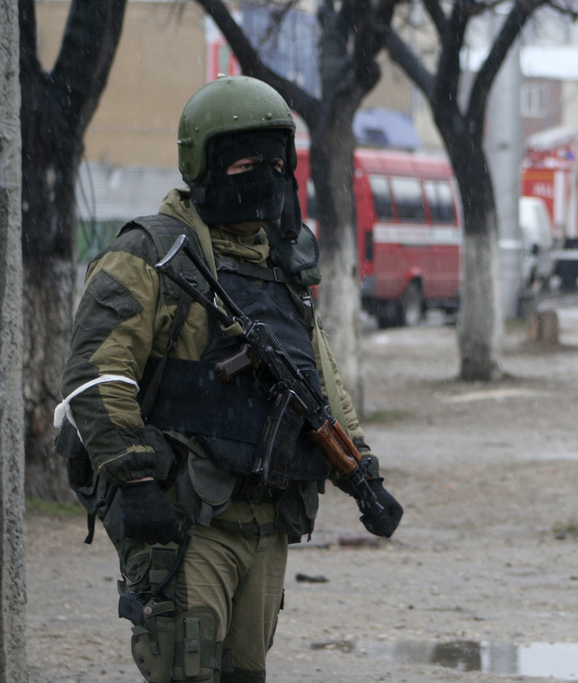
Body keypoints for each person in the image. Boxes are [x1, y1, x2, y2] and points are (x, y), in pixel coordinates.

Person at [54, 75, 403, 683]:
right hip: (188, 524)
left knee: (245, 675)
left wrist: (362, 471)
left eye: (276, 161)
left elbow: (321, 386)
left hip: (267, 526)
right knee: (185, 674)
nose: (265, 175)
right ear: (206, 162)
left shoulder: (282, 269)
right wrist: (134, 479)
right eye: (247, 160)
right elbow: (96, 372)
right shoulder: (151, 255)